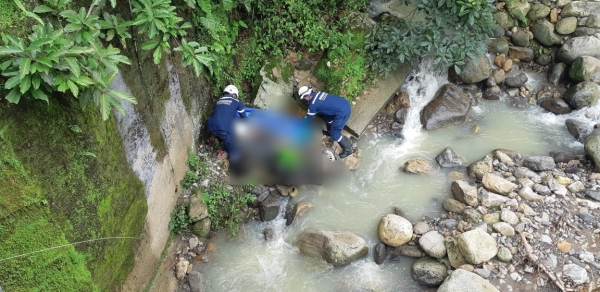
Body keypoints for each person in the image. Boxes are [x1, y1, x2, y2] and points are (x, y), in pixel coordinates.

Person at [298, 85, 353, 158]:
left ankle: (348, 150)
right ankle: (330, 132)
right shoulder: (319, 93)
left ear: (307, 96)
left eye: (304, 98)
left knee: (335, 135)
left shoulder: (313, 105)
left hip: (342, 113)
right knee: (327, 118)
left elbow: (308, 120)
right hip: (344, 104)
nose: (304, 100)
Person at [207, 85, 246, 161]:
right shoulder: (237, 102)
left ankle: (217, 140)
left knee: (224, 134)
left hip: (210, 126)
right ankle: (235, 164)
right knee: (233, 147)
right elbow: (244, 118)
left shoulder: (218, 101)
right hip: (223, 129)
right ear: (234, 94)